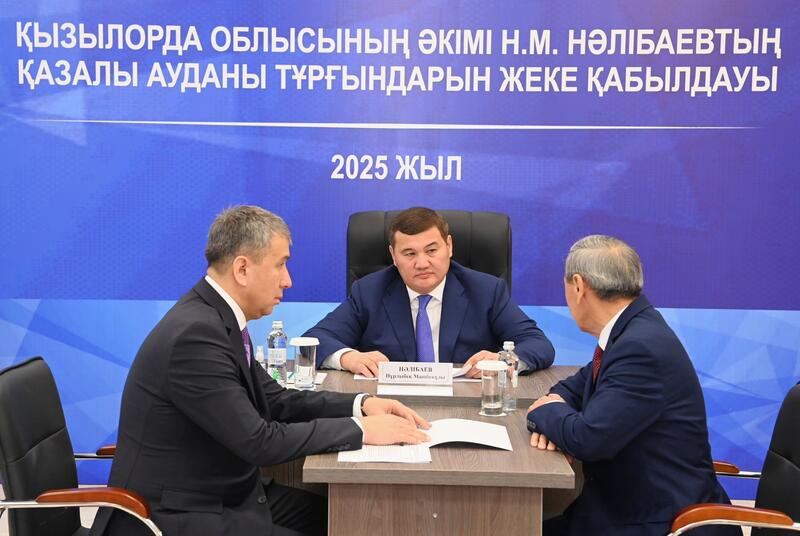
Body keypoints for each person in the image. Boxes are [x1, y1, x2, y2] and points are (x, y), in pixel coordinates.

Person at [91, 206, 430, 536]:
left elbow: (276, 399)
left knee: (345, 519)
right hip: (179, 514)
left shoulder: (217, 317)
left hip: (228, 494)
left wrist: (361, 405)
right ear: (242, 269)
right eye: (280, 265)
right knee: (348, 523)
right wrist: (361, 430)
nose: (288, 280)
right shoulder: (196, 336)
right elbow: (260, 442)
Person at [527, 235, 739, 536]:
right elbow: (576, 386)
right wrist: (555, 406)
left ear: (578, 286)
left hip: (658, 523)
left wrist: (542, 412)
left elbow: (588, 438)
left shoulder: (640, 348)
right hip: (620, 509)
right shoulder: (631, 329)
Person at [304, 207, 555, 378]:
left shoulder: (486, 291)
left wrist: (503, 361)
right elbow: (314, 340)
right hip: (390, 408)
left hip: (466, 407)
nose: (422, 263)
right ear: (393, 256)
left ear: (449, 246)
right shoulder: (369, 291)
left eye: (432, 250)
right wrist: (348, 358)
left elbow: (539, 345)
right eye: (409, 253)